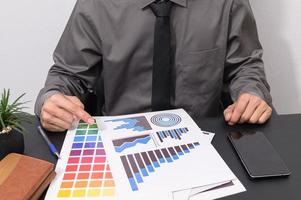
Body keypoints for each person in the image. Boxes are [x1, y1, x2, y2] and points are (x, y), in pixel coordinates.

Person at [35, 0, 273, 132]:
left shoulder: (227, 2)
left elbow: (244, 65)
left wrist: (251, 93)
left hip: (203, 136)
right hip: (120, 139)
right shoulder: (96, 4)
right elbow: (67, 75)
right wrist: (52, 99)